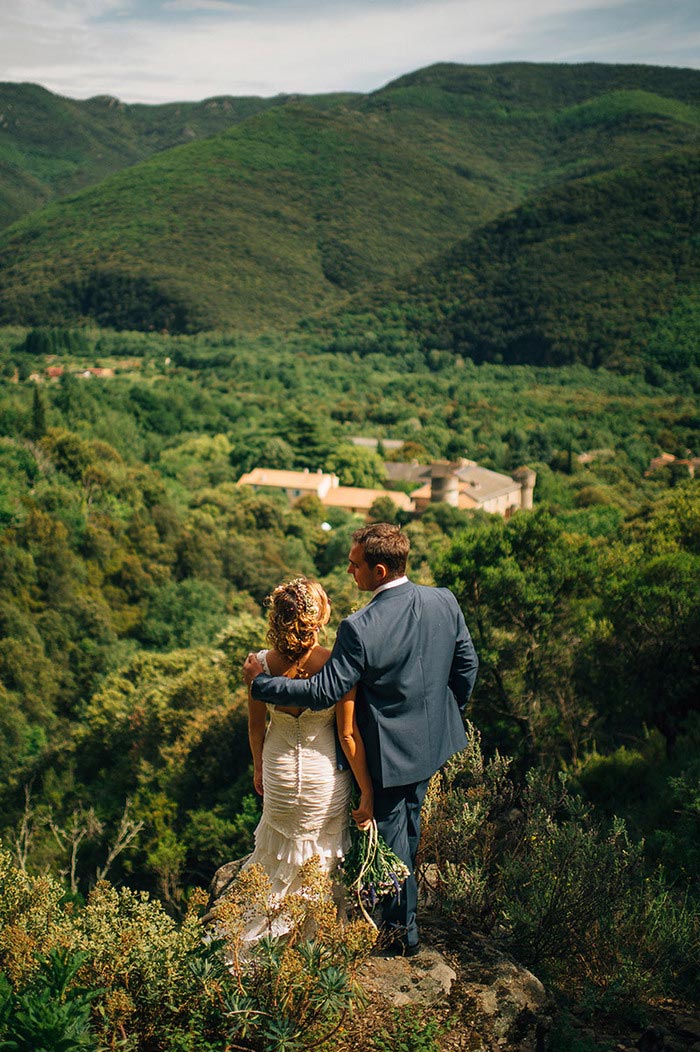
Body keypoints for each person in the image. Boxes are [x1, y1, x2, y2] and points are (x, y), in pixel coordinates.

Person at [243, 523, 478, 956]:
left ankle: (397, 940)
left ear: (380, 570)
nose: (350, 572)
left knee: (389, 844)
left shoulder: (359, 627)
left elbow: (321, 692)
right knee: (409, 829)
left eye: (355, 565)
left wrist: (262, 685)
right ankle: (395, 926)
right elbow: (467, 665)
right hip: (432, 744)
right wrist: (445, 714)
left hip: (387, 754)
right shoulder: (444, 599)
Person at [239, 576, 373, 941]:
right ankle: (313, 942)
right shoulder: (336, 664)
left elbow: (255, 727)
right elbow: (347, 735)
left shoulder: (259, 665)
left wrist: (258, 767)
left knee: (274, 863)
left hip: (278, 771)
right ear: (317, 619)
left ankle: (259, 937)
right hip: (324, 778)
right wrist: (366, 791)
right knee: (320, 863)